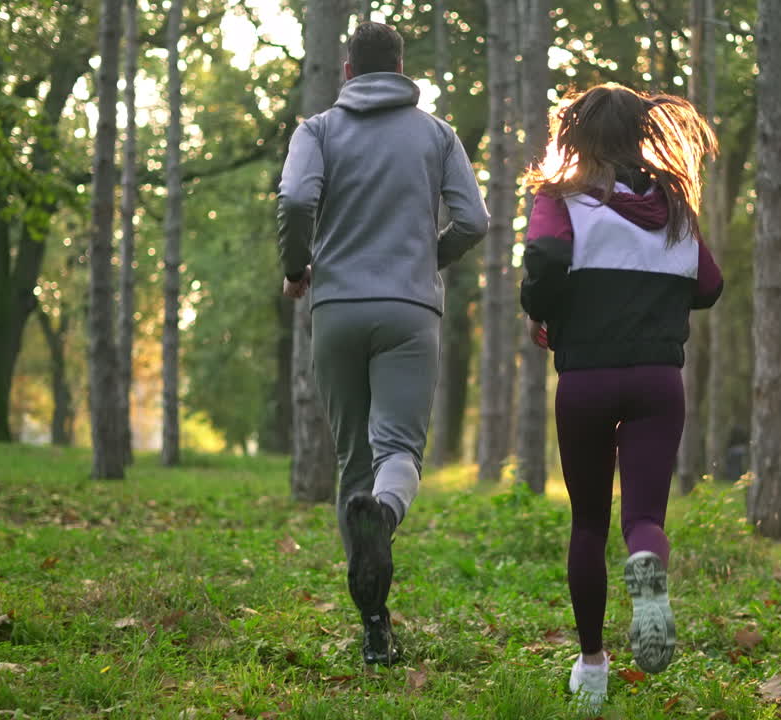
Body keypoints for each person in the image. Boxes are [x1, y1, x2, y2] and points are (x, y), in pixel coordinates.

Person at [276, 21, 489, 666]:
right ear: (401, 68)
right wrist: (431, 256)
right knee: (398, 452)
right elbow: (475, 219)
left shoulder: (316, 130)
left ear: (346, 70)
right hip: (409, 309)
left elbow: (293, 199)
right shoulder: (437, 134)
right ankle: (385, 519)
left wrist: (296, 268)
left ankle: (374, 628)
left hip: (337, 307)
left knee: (354, 466)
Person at [519, 83, 722, 708]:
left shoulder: (561, 200)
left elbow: (546, 262)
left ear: (576, 137)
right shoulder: (675, 208)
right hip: (657, 382)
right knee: (644, 517)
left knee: (587, 522)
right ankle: (647, 568)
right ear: (642, 135)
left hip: (585, 378)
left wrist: (542, 312)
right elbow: (709, 285)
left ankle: (593, 667)